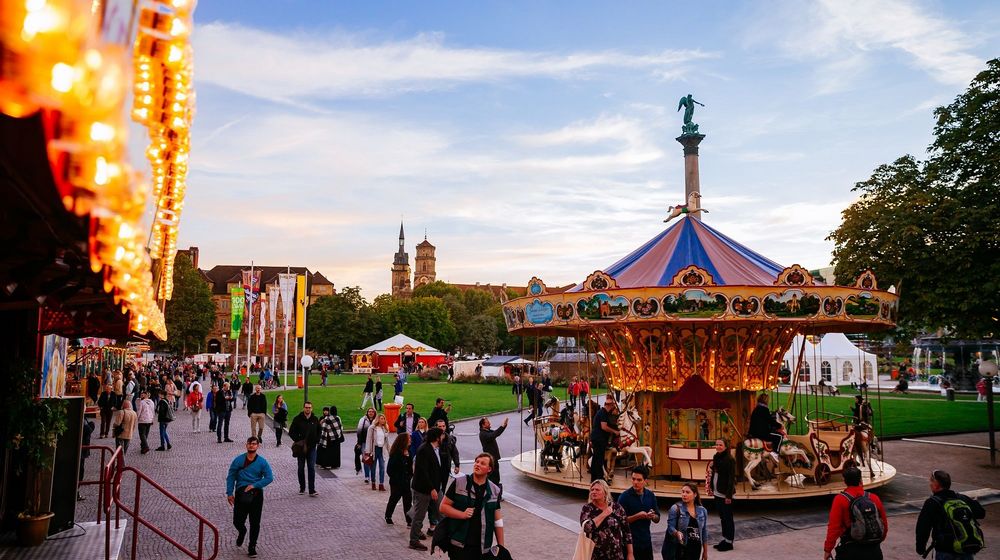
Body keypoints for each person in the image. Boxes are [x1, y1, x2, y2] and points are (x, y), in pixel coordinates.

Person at [439, 453, 506, 560]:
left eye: (482, 463)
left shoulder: (494, 490)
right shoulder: (459, 483)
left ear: (489, 469)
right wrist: (462, 514)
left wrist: (501, 547)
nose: (477, 464)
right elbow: (443, 507)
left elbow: (497, 521)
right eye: (477, 462)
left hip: (483, 547)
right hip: (459, 545)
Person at [916, 469, 986, 559]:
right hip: (966, 549)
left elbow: (923, 527)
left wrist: (920, 548)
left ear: (936, 485)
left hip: (945, 550)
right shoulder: (961, 498)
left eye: (931, 481)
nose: (929, 484)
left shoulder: (932, 502)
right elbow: (981, 513)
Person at [824, 467, 887, 560]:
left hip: (850, 550)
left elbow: (834, 528)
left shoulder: (840, 500)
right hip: (874, 551)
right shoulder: (873, 498)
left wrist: (827, 550)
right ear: (860, 480)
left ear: (845, 481)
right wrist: (875, 541)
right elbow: (884, 524)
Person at [226, 436, 274, 558]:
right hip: (241, 494)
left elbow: (269, 477)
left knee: (255, 522)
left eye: (254, 444)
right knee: (237, 521)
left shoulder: (262, 462)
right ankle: (242, 531)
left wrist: (255, 485)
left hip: (256, 495)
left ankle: (252, 546)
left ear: (258, 446)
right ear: (246, 445)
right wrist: (230, 493)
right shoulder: (238, 460)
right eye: (249, 443)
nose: (252, 445)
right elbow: (231, 476)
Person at [409, 426, 445, 551]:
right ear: (436, 438)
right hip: (424, 489)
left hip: (435, 487)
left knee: (442, 511)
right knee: (419, 515)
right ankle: (414, 540)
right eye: (442, 435)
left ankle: (445, 536)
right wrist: (431, 489)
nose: (443, 437)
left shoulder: (436, 448)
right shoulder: (424, 449)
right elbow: (423, 472)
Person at [581, 479, 633, 560]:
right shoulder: (587, 509)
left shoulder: (617, 507)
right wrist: (604, 514)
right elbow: (587, 528)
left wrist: (630, 554)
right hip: (595, 555)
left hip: (616, 555)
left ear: (605, 492)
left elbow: (627, 532)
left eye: (597, 490)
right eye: (592, 490)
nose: (594, 492)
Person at [617, 466, 659, 560]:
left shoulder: (650, 495)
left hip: (646, 542)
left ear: (645, 481)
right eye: (633, 479)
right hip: (629, 544)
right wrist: (638, 516)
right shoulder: (624, 497)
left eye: (639, 480)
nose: (635, 482)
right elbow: (619, 522)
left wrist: (652, 516)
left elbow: (657, 518)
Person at [663, 483, 709, 560]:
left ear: (695, 495)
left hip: (696, 549)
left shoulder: (702, 511)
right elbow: (670, 527)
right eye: (683, 492)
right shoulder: (676, 508)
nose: (684, 494)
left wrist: (705, 551)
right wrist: (676, 533)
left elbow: (704, 532)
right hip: (681, 548)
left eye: (687, 492)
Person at [705, 439, 736, 552]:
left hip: (725, 493)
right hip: (717, 491)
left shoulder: (730, 460)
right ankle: (725, 538)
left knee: (728, 518)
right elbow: (715, 471)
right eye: (717, 444)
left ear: (726, 446)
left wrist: (728, 495)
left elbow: (731, 478)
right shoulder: (716, 456)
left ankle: (729, 541)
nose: (718, 446)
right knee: (722, 517)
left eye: (720, 445)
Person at [289, 401, 321, 496]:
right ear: (303, 408)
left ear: (312, 408)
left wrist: (317, 440)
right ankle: (302, 487)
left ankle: (312, 489)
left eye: (309, 407)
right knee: (300, 467)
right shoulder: (297, 419)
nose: (308, 409)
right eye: (306, 407)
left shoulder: (315, 419)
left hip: (311, 447)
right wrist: (298, 440)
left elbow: (319, 431)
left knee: (311, 467)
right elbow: (291, 432)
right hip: (301, 447)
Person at [385, 432, 413, 526]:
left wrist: (410, 476)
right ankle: (388, 516)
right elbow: (389, 470)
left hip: (406, 481)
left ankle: (409, 520)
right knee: (394, 499)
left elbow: (410, 468)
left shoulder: (409, 452)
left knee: (408, 502)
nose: (410, 440)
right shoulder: (396, 454)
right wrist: (397, 479)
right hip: (397, 482)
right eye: (409, 439)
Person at [591, 398, 620, 482]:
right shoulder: (603, 413)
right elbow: (604, 427)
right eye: (613, 406)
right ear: (609, 405)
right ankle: (600, 478)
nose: (613, 408)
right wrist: (614, 431)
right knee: (599, 459)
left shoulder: (603, 413)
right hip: (599, 438)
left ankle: (595, 478)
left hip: (598, 438)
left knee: (596, 459)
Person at [748, 393, 782, 460]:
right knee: (779, 436)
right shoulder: (764, 409)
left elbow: (764, 421)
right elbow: (770, 421)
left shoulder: (757, 408)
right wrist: (779, 426)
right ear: (766, 400)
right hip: (761, 433)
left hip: (753, 432)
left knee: (774, 434)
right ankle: (775, 453)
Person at [478, 416, 508, 486]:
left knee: (496, 476)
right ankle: (493, 491)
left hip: (493, 458)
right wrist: (502, 426)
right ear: (483, 425)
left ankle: (495, 489)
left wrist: (504, 426)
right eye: (487, 422)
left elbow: (497, 433)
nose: (489, 423)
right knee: (493, 477)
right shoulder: (483, 434)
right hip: (491, 459)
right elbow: (494, 434)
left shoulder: (487, 431)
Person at [365, 413, 390, 491]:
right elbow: (368, 440)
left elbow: (387, 442)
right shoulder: (372, 428)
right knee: (373, 467)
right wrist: (368, 451)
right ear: (378, 419)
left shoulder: (385, 428)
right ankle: (373, 482)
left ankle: (381, 484)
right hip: (374, 449)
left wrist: (389, 451)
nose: (383, 420)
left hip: (381, 449)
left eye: (384, 419)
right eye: (381, 418)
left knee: (382, 467)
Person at [318, 405, 344, 469]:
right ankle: (335, 464)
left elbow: (324, 428)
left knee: (327, 452)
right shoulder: (337, 418)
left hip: (329, 438)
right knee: (336, 453)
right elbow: (340, 428)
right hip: (337, 438)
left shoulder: (327, 419)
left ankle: (326, 464)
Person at [356, 407, 377, 482]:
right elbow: (359, 431)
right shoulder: (363, 420)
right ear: (367, 413)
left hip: (374, 443)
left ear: (374, 413)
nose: (370, 413)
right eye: (369, 412)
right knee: (366, 458)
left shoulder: (376, 421)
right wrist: (359, 443)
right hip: (364, 442)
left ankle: (373, 475)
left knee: (373, 459)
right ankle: (367, 476)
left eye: (372, 412)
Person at [136, 390, 155, 454]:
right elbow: (153, 411)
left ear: (145, 395)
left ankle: (146, 446)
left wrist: (137, 418)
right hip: (149, 420)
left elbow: (139, 411)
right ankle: (143, 447)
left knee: (142, 434)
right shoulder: (152, 402)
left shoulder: (142, 402)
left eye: (142, 394)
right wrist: (152, 419)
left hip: (142, 420)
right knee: (145, 434)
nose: (141, 396)